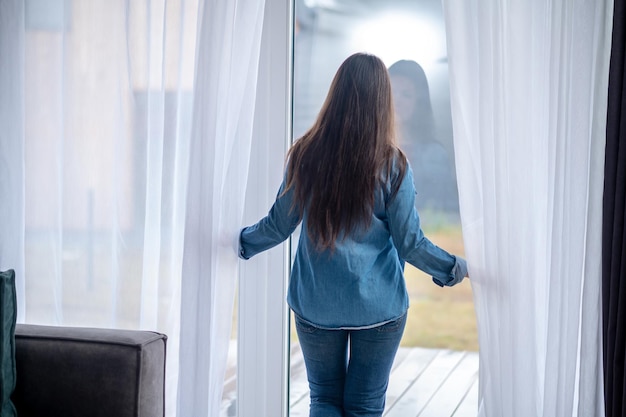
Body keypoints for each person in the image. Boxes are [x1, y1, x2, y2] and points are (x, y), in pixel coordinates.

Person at [238, 53, 468, 417]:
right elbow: (411, 243)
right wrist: (454, 268)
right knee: (363, 407)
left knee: (324, 401)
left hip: (316, 305)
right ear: (383, 101)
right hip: (378, 308)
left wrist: (239, 242)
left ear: (336, 93)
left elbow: (279, 225)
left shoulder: (305, 154)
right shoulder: (393, 164)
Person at [388, 59, 458, 212]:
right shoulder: (368, 152)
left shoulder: (435, 155)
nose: (397, 100)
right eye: (392, 92)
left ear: (419, 102)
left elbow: (447, 211)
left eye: (406, 94)